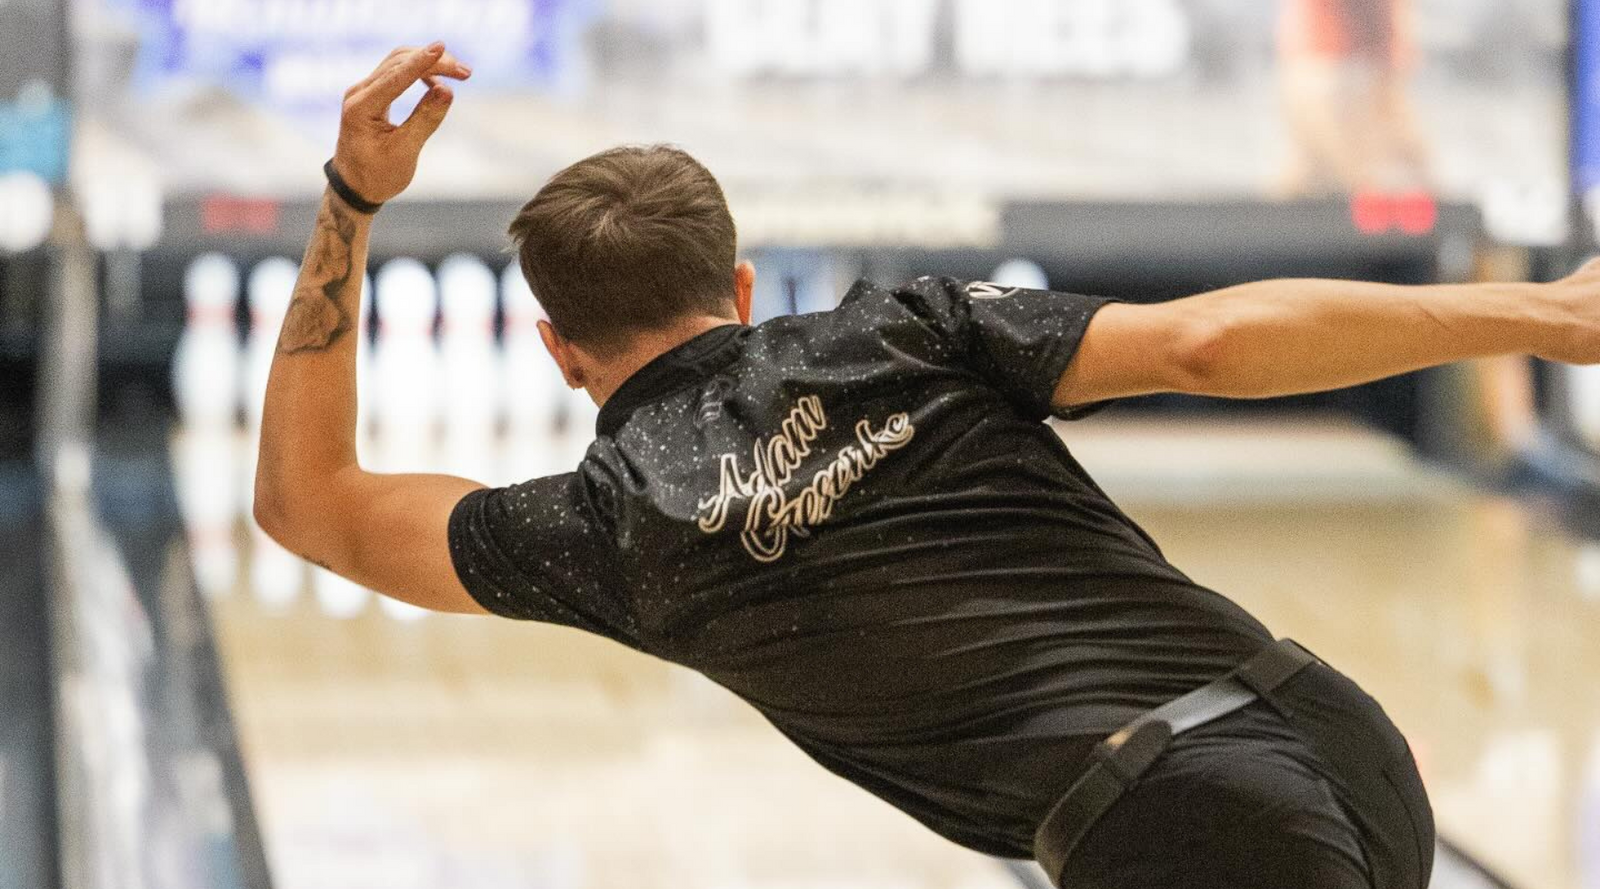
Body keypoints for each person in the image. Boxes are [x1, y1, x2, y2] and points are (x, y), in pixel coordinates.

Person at [254, 44, 1600, 889]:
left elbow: (308, 507)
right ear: (733, 279)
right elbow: (1208, 339)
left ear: (553, 349)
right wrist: (1547, 314)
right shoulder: (907, 329)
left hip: (1178, 825)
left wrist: (351, 200)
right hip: (1334, 736)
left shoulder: (609, 531)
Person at [1275, 0, 1431, 198]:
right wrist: (1389, 50)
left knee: (1312, 182)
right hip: (1349, 68)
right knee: (1395, 181)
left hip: (1305, 66)